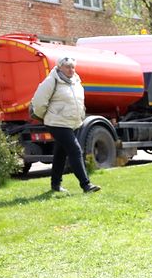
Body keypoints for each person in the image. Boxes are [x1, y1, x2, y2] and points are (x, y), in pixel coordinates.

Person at [30, 57, 100, 194]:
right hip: (56, 123)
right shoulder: (52, 81)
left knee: (60, 153)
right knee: (75, 150)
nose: (71, 70)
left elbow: (79, 102)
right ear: (60, 67)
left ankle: (55, 185)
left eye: (73, 67)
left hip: (71, 123)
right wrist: (46, 116)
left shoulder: (76, 82)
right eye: (67, 67)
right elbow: (38, 102)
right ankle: (86, 185)